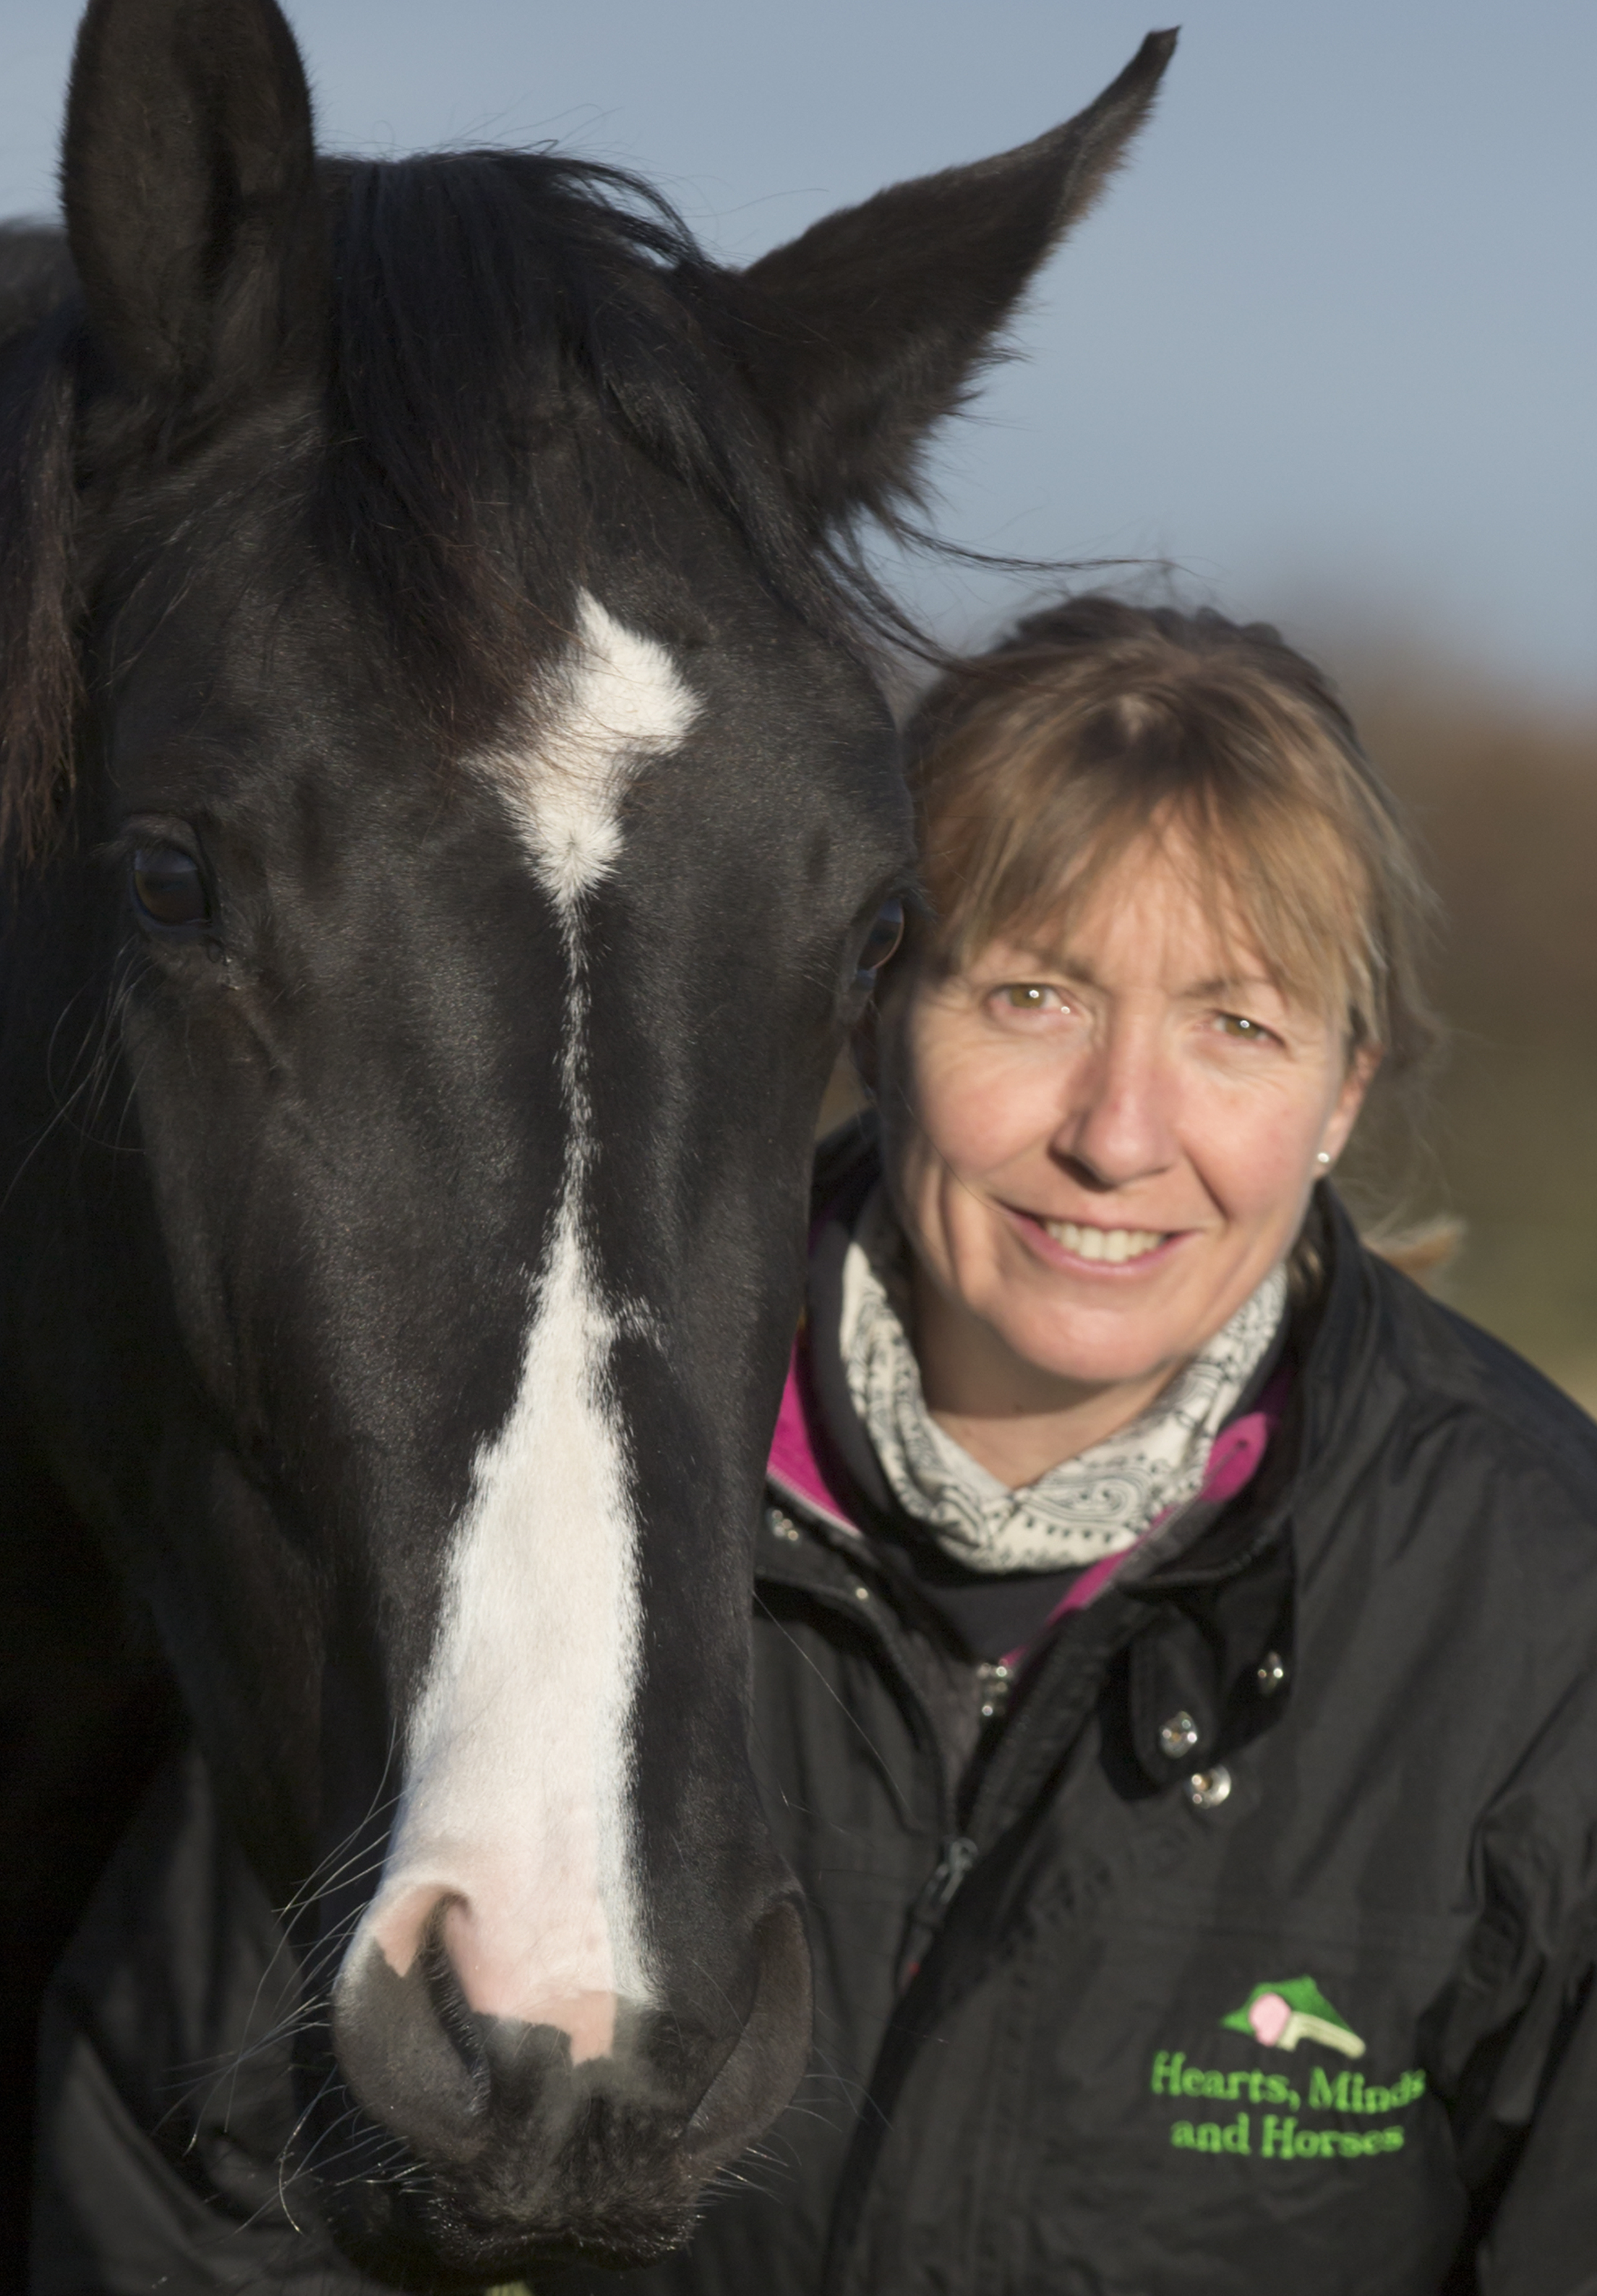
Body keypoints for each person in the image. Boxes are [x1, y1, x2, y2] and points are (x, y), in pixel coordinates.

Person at [560, 597, 1597, 2294]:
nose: (1120, 1134)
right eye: (1033, 994)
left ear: (1344, 1092)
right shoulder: (577, 1477)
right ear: (875, 1006)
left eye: (1236, 1026)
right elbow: (204, 2169)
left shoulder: (1553, 1616)